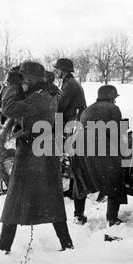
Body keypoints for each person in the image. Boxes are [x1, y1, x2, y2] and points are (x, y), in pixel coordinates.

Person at [0, 61, 73, 255]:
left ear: (30, 79)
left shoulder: (38, 99)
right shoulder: (47, 94)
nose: (22, 82)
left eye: (24, 78)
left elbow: (8, 109)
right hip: (42, 153)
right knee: (51, 199)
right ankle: (66, 243)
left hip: (33, 155)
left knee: (16, 197)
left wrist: (12, 86)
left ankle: (4, 246)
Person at [70, 85, 128, 227]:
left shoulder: (87, 109)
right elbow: (116, 133)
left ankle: (78, 216)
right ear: (112, 97)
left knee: (82, 180)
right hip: (99, 143)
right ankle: (112, 219)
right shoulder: (113, 109)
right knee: (114, 178)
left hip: (78, 145)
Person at [53, 58, 88, 225]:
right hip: (72, 121)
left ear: (64, 70)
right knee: (72, 157)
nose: (56, 72)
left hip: (73, 123)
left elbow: (60, 105)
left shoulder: (70, 84)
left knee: (73, 158)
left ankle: (73, 191)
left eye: (58, 69)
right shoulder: (69, 83)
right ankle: (71, 190)